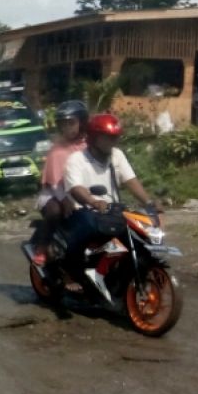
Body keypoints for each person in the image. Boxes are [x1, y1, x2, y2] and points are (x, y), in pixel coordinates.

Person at [60, 113, 158, 276]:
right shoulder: (76, 160)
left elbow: (131, 181)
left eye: (114, 138)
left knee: (139, 237)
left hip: (112, 210)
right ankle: (70, 271)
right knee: (87, 227)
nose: (111, 142)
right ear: (94, 137)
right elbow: (76, 188)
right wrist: (93, 201)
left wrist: (149, 202)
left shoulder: (117, 155)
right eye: (107, 138)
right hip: (83, 210)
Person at [30, 100, 88, 265]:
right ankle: (42, 246)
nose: (67, 128)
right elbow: (55, 183)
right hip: (56, 194)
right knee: (55, 211)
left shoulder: (89, 147)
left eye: (71, 123)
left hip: (82, 193)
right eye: (63, 124)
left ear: (82, 123)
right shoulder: (58, 150)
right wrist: (65, 199)